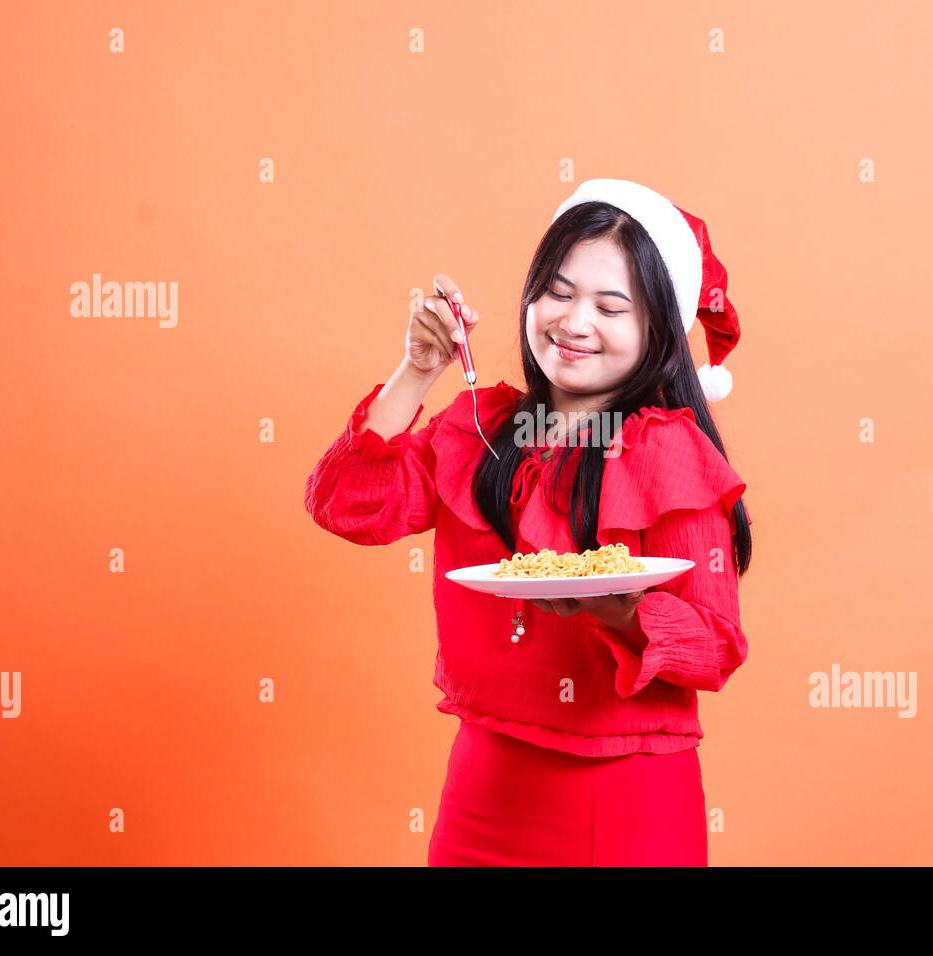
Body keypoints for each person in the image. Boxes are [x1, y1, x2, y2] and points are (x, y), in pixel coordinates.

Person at [304, 178, 752, 866]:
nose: (574, 323)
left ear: (659, 328)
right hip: (485, 785)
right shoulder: (481, 430)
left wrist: (623, 612)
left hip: (624, 801)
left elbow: (715, 646)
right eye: (560, 292)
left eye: (611, 306)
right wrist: (418, 371)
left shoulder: (668, 452)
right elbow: (344, 505)